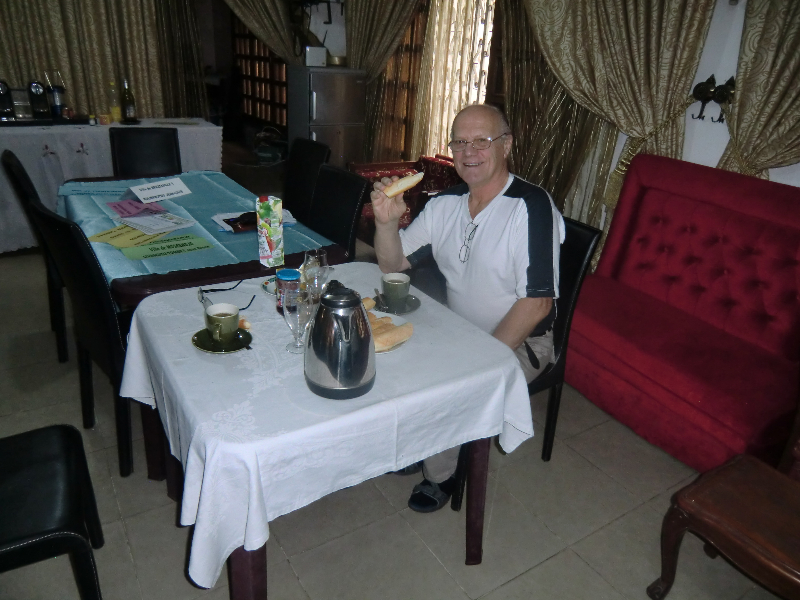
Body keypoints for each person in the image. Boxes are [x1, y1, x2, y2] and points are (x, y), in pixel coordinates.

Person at [371, 103, 565, 512]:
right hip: (457, 326)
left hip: (520, 341)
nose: (469, 151)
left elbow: (537, 303)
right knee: (394, 351)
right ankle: (422, 442)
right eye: (459, 142)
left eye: (482, 141)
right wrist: (386, 224)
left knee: (453, 387)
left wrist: (480, 361)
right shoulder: (445, 203)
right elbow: (393, 266)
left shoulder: (530, 206)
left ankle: (441, 473)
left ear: (506, 145)